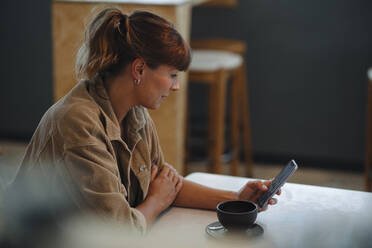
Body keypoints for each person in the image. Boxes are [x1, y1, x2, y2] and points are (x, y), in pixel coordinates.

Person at [13, 7, 280, 234]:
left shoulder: (134, 111)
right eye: (172, 75)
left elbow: (166, 184)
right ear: (139, 69)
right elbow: (121, 231)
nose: (176, 87)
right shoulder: (77, 121)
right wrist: (155, 201)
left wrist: (237, 200)